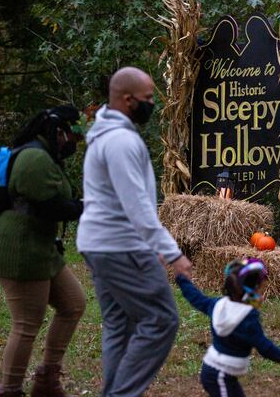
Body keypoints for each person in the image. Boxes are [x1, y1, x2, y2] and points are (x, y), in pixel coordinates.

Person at [76, 66, 193, 397]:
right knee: (161, 320)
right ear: (127, 100)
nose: (152, 103)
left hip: (99, 244)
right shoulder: (121, 141)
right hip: (118, 246)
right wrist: (172, 252)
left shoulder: (105, 135)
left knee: (120, 324)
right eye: (148, 98)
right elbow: (137, 206)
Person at [0, 106, 87, 397]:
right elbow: (49, 207)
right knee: (27, 323)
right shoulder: (34, 159)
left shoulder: (46, 157)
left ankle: (46, 380)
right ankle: (10, 389)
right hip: (19, 248)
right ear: (57, 131)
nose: (74, 144)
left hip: (40, 247)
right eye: (72, 136)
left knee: (73, 304)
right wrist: (87, 206)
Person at [175, 258, 280, 397]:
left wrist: (182, 279)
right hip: (220, 375)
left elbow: (196, 298)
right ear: (250, 292)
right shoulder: (248, 317)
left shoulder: (217, 304)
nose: (260, 294)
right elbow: (262, 344)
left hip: (217, 373)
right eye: (260, 289)